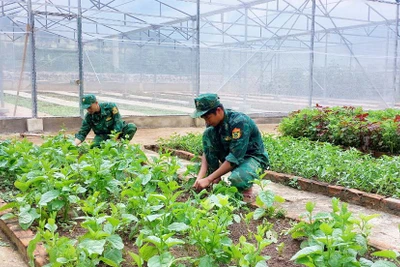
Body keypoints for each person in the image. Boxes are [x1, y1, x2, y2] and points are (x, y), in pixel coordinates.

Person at [191, 93, 270, 200]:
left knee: (238, 179)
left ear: (218, 110)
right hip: (231, 155)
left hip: (252, 158)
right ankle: (214, 179)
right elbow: (207, 149)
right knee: (207, 135)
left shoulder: (239, 122)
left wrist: (208, 179)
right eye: (204, 118)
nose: (207, 121)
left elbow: (234, 158)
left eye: (208, 117)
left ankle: (246, 188)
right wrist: (200, 177)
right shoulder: (213, 123)